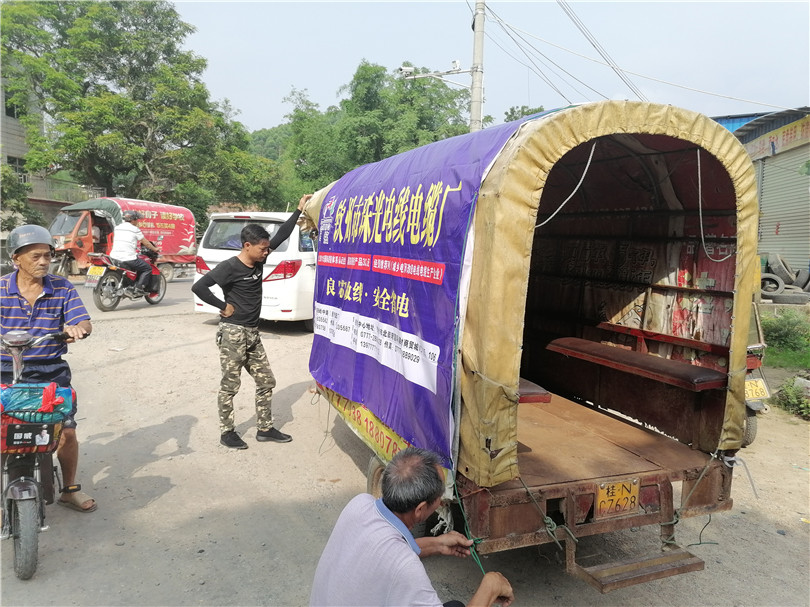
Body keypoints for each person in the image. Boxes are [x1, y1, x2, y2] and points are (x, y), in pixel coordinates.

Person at [310, 447, 514, 607]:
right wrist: (491, 586)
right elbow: (396, 561)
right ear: (420, 509)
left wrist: (438, 544)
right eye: (439, 498)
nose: (441, 502)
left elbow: (384, 554)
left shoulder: (359, 504)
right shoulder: (406, 568)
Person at [191, 194, 312, 449]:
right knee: (230, 385)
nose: (266, 252)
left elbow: (281, 235)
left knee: (266, 381)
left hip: (253, 333)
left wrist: (298, 210)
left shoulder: (260, 259)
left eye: (267, 249)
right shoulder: (229, 267)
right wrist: (222, 306)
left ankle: (265, 429)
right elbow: (199, 287)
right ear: (247, 245)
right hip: (233, 333)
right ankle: (227, 432)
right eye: (262, 249)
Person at [0, 224, 96, 513]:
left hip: (50, 370)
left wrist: (77, 328)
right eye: (36, 256)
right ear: (16, 258)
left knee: (66, 431)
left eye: (47, 256)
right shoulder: (1, 289)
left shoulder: (62, 287)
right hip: (4, 369)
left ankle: (69, 489)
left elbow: (83, 321)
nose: (43, 262)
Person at [108, 210, 160, 294]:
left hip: (114, 257)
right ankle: (139, 288)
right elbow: (145, 242)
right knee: (147, 268)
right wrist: (155, 249)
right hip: (128, 258)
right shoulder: (135, 229)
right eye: (137, 219)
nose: (137, 221)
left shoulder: (117, 228)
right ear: (133, 220)